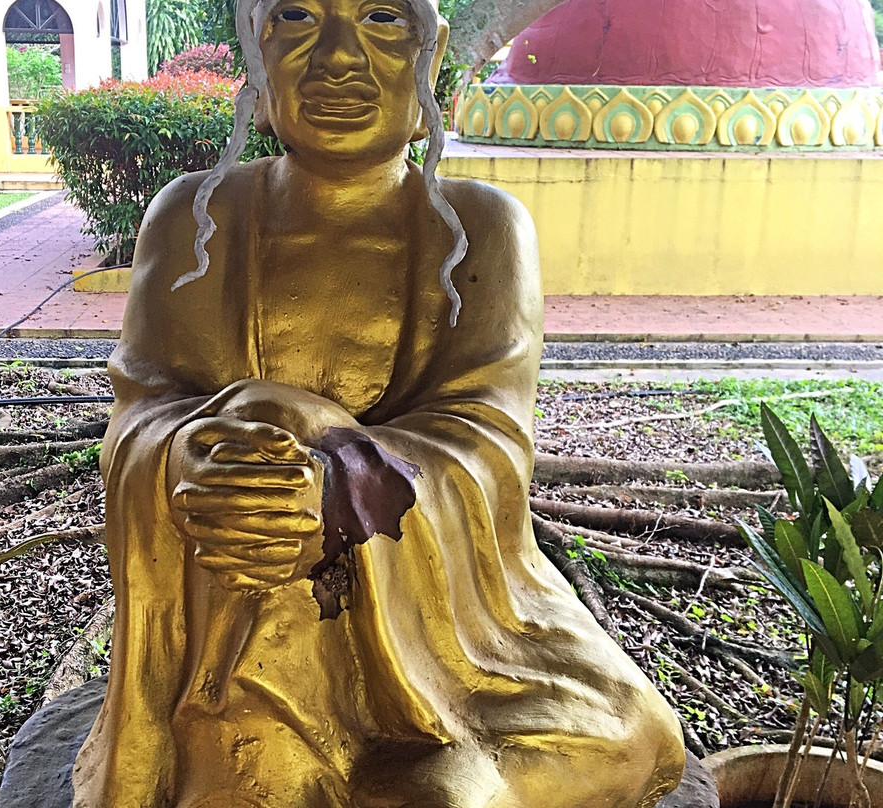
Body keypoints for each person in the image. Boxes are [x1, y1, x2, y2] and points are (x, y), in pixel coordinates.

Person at [72, 0, 685, 806]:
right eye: (297, 16)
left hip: (448, 617)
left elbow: (489, 441)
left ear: (428, 60)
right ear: (259, 56)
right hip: (240, 591)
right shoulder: (197, 220)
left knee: (633, 737)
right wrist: (208, 467)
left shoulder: (481, 226)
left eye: (382, 20)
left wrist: (338, 486)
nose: (338, 56)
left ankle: (423, 765)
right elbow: (143, 414)